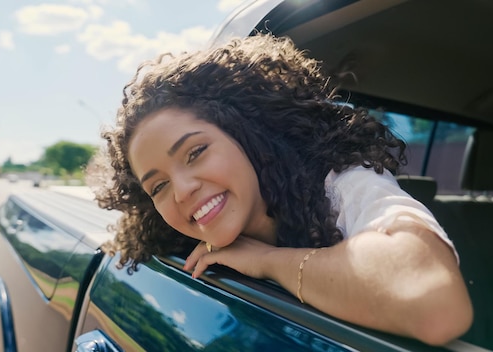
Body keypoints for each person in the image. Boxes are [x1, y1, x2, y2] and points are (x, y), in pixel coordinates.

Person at [86, 33, 473, 346]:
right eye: (159, 186)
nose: (182, 191)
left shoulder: (342, 186)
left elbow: (434, 306)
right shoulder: (180, 247)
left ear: (249, 134)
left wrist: (268, 260)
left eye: (196, 152)